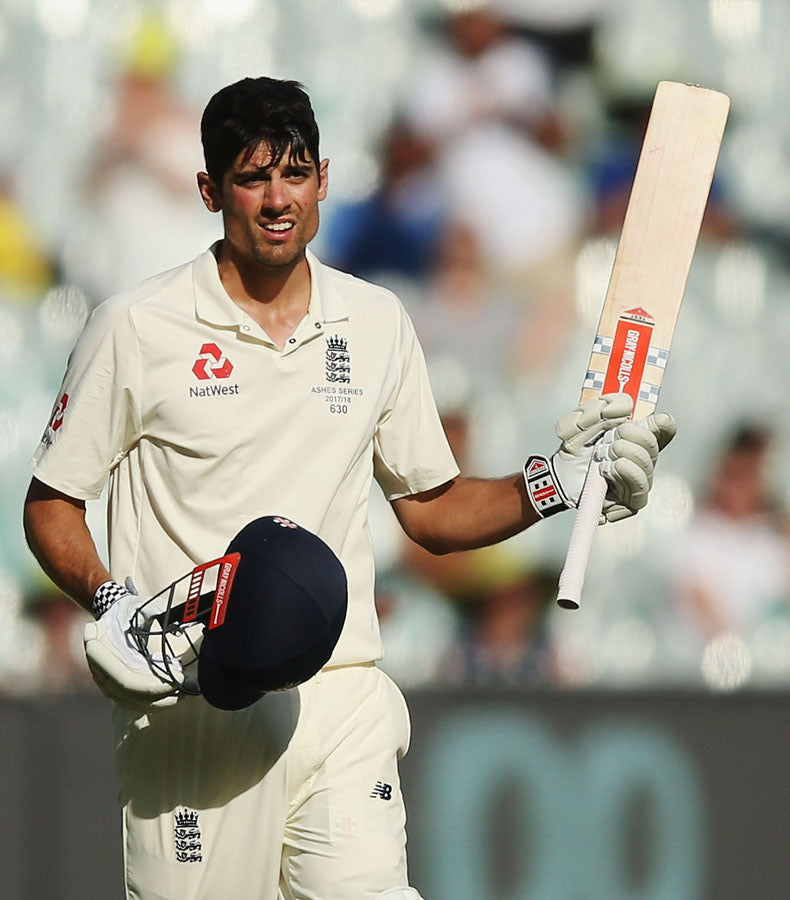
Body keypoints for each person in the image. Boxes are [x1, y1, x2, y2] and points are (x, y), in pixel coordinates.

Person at [22, 77, 675, 900]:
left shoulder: (375, 322)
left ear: (324, 180)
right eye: (250, 178)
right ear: (208, 189)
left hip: (340, 695)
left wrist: (557, 484)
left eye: (292, 175)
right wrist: (114, 602)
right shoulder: (136, 325)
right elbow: (50, 503)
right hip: (195, 697)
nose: (274, 200)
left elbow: (431, 510)